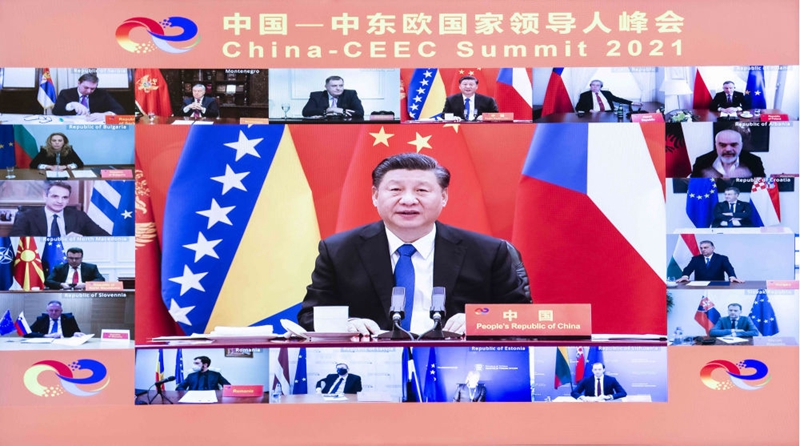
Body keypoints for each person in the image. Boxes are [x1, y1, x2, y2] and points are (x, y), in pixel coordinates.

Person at [297, 153, 530, 336]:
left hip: (458, 364)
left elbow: (523, 317)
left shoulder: (487, 252)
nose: (408, 200)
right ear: (375, 196)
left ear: (444, 197)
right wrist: (347, 324)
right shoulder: (339, 251)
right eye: (395, 190)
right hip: (372, 365)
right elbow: (309, 315)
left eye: (421, 190)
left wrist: (480, 320)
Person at [9, 182, 110, 237]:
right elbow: (15, 239)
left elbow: (105, 236)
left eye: (65, 197)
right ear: (45, 196)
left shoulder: (79, 216)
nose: (60, 201)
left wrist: (82, 239)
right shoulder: (26, 216)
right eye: (55, 196)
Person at [691, 129, 765, 178]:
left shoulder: (754, 162)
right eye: (722, 145)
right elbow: (691, 185)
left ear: (741, 145)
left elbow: (762, 188)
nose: (728, 149)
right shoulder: (701, 162)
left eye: (733, 145)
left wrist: (748, 178)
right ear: (716, 145)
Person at [52, 72, 126, 121]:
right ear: (79, 83)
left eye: (92, 88)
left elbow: (120, 110)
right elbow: (56, 111)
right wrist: (71, 105)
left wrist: (105, 115)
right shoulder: (66, 93)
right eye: (86, 87)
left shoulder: (102, 93)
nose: (89, 91)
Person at [675, 240, 744, 283]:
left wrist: (732, 277)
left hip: (718, 285)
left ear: (713, 248)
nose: (703, 250)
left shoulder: (722, 258)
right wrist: (685, 276)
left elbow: (729, 268)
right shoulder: (696, 259)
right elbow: (688, 268)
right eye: (701, 248)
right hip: (700, 286)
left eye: (705, 247)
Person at [575, 80, 642, 113]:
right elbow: (578, 107)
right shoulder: (584, 95)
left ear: (601, 87)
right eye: (593, 85)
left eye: (597, 85)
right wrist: (589, 110)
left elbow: (618, 99)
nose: (595, 87)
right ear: (590, 86)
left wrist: (632, 103)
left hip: (609, 113)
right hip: (595, 114)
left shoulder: (607, 93)